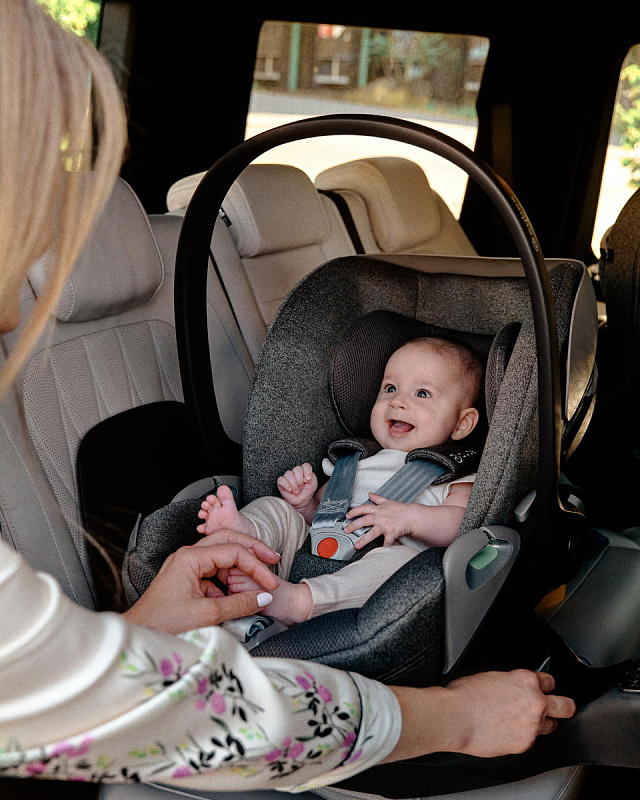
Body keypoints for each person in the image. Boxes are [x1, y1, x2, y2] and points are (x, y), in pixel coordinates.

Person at [0, 0, 575, 792]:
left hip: (344, 571)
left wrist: (132, 633)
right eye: (24, 222)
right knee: (275, 507)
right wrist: (458, 718)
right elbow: (169, 720)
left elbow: (47, 694)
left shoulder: (442, 471)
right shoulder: (352, 454)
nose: (16, 308)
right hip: (291, 606)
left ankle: (290, 583)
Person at [197, 336, 481, 627]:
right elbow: (320, 516)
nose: (398, 401)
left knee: (403, 564)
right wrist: (305, 504)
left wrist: (409, 518)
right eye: (390, 388)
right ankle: (242, 537)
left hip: (369, 573)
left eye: (422, 393)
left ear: (462, 424)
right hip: (309, 550)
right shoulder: (354, 458)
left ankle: (298, 602)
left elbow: (461, 525)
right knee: (276, 508)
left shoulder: (453, 474)